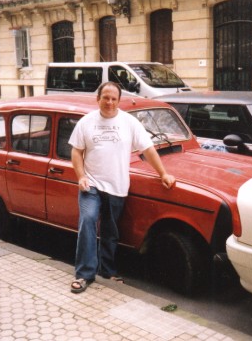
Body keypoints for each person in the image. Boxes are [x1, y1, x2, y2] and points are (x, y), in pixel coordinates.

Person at [68, 81, 176, 294]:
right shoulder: (86, 122)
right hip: (91, 184)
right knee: (88, 221)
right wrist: (80, 176)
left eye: (113, 98)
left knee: (110, 231)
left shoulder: (129, 122)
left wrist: (163, 173)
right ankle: (84, 274)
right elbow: (76, 152)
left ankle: (107, 272)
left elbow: (148, 149)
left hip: (117, 186)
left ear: (118, 100)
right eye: (105, 98)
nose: (109, 102)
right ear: (97, 98)